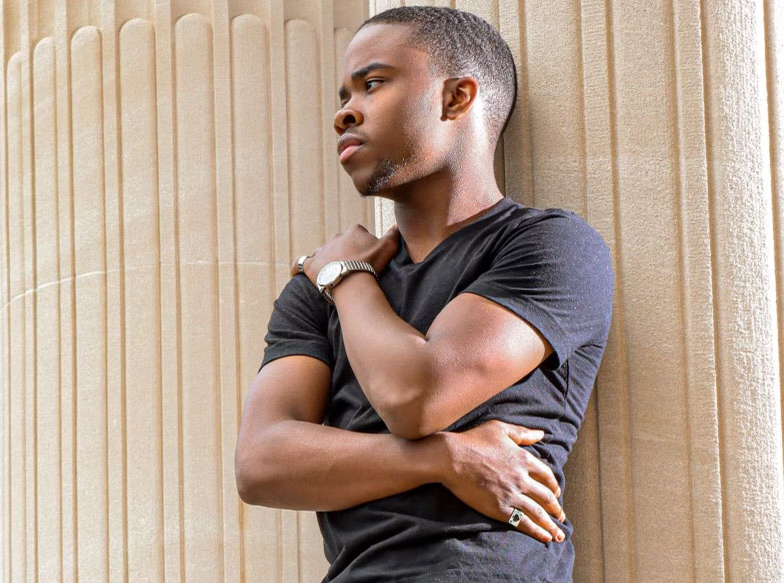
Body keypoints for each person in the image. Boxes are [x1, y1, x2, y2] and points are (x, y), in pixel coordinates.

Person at [234, 6, 614, 582]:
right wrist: (446, 458)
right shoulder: (316, 291)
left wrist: (348, 277)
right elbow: (261, 463)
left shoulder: (550, 245)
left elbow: (417, 396)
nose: (344, 113)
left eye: (374, 83)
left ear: (456, 98)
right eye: (343, 95)